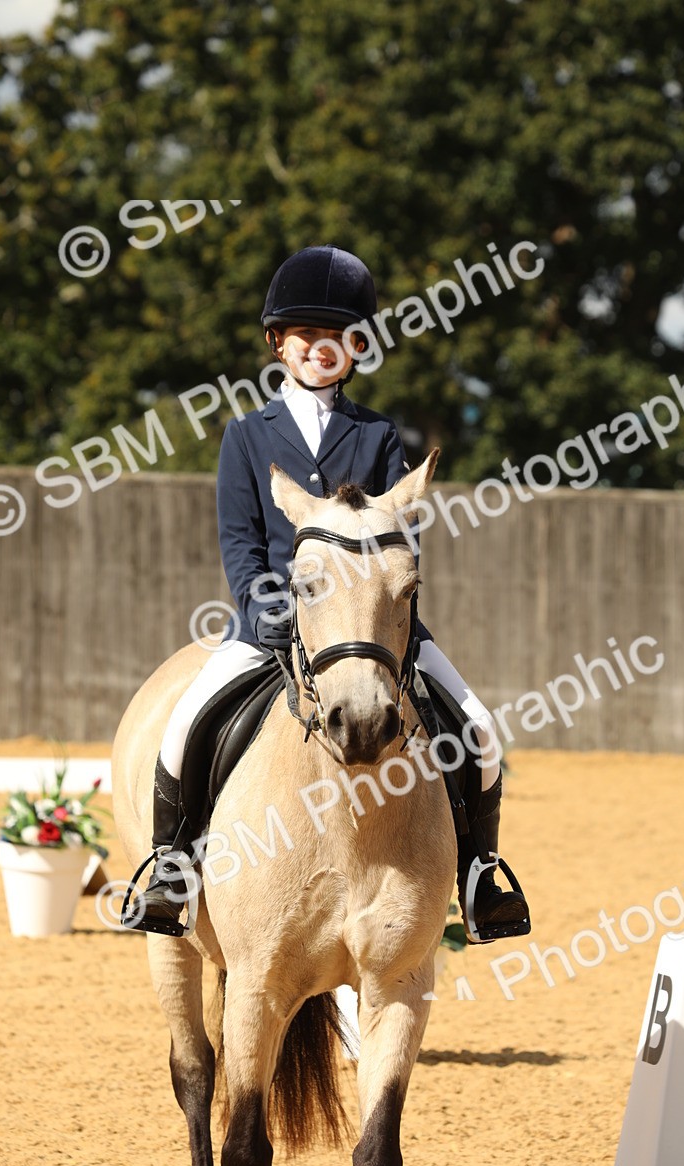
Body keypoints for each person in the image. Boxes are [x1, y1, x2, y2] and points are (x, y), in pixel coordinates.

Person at [128, 245, 529, 943]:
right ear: (277, 342)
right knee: (186, 724)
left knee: (481, 731)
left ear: (357, 347)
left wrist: (384, 617)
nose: (320, 347)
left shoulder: (377, 434)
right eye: (304, 334)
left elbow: (395, 538)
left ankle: (479, 875)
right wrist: (274, 613)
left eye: (336, 335)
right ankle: (171, 864)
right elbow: (241, 543)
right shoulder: (246, 436)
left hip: (371, 629)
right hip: (270, 626)